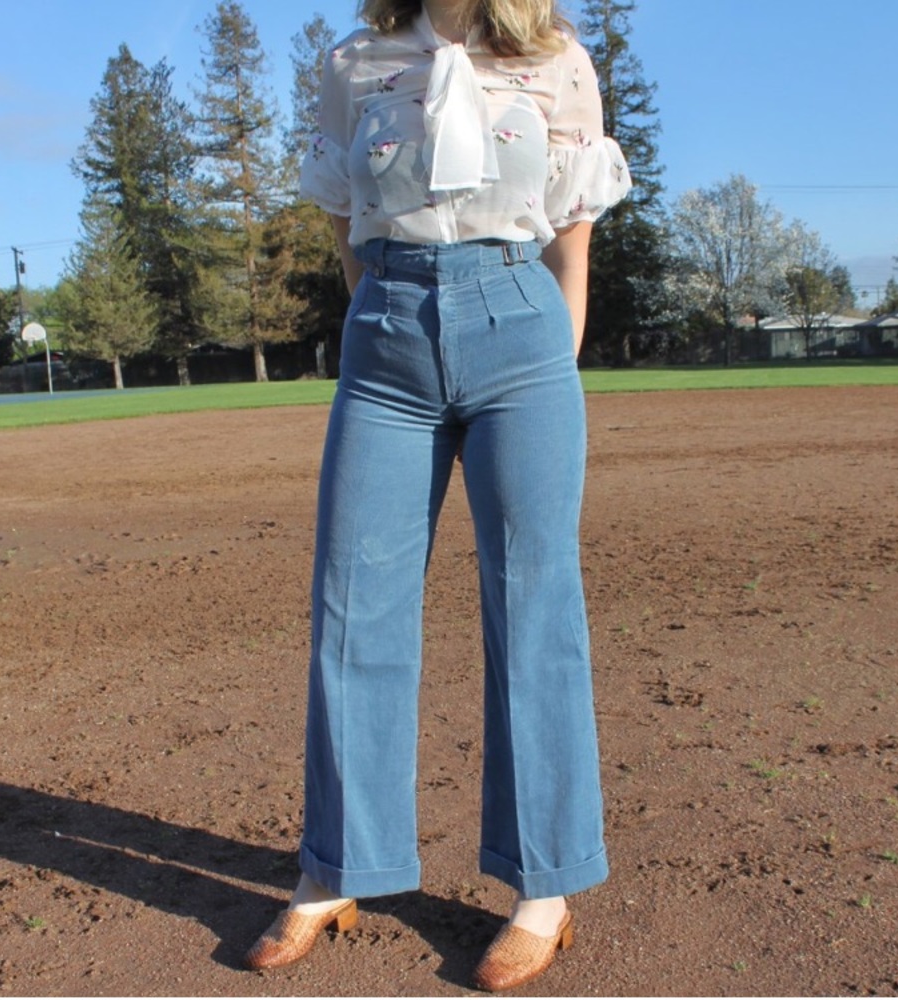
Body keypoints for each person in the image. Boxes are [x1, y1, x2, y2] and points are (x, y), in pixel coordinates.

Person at [244, 0, 630, 990]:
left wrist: (556, 349)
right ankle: (337, 866)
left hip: (520, 322)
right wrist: (382, 310)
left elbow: (572, 228)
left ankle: (543, 887)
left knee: (533, 606)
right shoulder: (355, 60)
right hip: (386, 339)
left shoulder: (553, 61)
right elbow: (343, 220)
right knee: (351, 604)